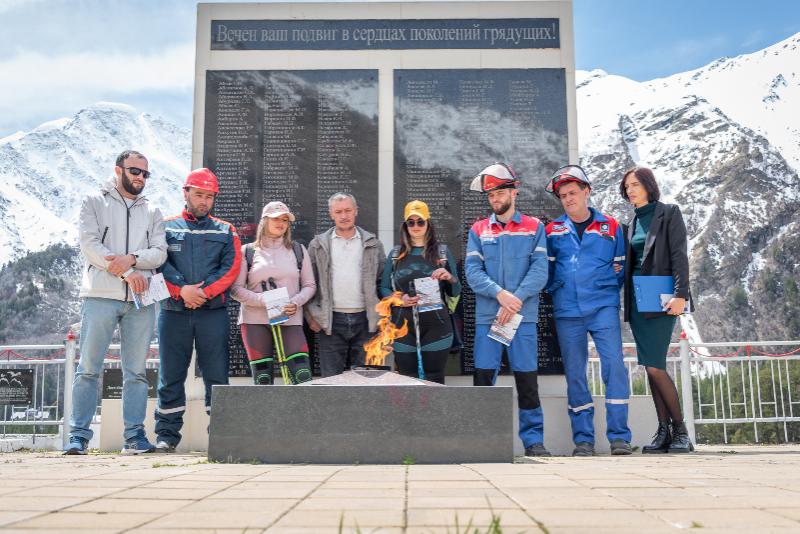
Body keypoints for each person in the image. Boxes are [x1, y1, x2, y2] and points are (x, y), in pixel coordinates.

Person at [64, 150, 167, 455]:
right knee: (88, 368)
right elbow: (91, 246)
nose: (140, 178)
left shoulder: (152, 211)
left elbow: (160, 252)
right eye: (135, 171)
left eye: (145, 174)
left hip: (143, 301)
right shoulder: (94, 202)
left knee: (136, 372)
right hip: (100, 297)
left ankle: (134, 437)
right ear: (118, 169)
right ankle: (79, 437)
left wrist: (134, 259)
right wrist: (131, 272)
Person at [544, 165, 632, 456]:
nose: (568, 199)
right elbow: (547, 269)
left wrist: (603, 288)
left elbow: (620, 267)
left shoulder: (612, 227)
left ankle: (619, 436)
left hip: (603, 307)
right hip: (567, 310)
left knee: (614, 367)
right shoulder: (552, 230)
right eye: (563, 195)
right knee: (575, 374)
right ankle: (583, 439)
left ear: (586, 192)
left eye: (572, 193)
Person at [465, 163, 551, 457]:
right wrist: (501, 295)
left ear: (514, 192)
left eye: (500, 192)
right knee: (483, 381)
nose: (494, 199)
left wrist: (516, 299)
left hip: (521, 319)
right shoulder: (479, 230)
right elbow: (473, 273)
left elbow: (540, 272)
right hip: (488, 320)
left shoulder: (534, 227)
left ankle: (534, 441)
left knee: (527, 381)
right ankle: (481, 440)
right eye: (490, 195)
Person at [155, 168, 241, 453]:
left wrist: (203, 293)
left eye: (209, 196)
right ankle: (167, 435)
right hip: (173, 311)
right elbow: (158, 263)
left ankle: (222, 434)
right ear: (186, 192)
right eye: (199, 194)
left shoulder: (226, 230)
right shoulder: (165, 226)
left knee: (217, 373)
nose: (204, 201)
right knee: (171, 374)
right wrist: (182, 290)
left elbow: (230, 269)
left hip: (212, 311)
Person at [620, 166, 694, 453]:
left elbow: (679, 255)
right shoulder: (631, 222)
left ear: (649, 185)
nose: (631, 190)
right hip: (639, 301)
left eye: (635, 185)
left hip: (664, 300)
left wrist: (681, 295)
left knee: (656, 365)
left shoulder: (668, 213)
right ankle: (663, 432)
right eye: (627, 187)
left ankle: (681, 432)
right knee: (651, 368)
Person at [231, 201, 316, 384]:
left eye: (285, 219)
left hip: (289, 316)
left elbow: (310, 285)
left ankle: (300, 414)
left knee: (301, 375)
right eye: (276, 218)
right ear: (264, 221)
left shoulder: (298, 250)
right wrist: (265, 300)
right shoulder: (248, 251)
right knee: (263, 380)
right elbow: (235, 290)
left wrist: (295, 302)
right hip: (255, 320)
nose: (281, 223)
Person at [379, 200, 461, 384]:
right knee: (408, 380)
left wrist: (449, 277)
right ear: (405, 226)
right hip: (403, 326)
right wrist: (399, 298)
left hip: (437, 326)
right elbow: (383, 288)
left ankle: (434, 415)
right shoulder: (395, 255)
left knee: (434, 380)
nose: (416, 226)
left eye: (420, 221)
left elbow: (456, 291)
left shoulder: (442, 253)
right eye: (411, 222)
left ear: (428, 224)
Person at [305, 193, 386, 377]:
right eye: (338, 211)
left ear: (356, 211)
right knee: (332, 381)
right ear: (331, 214)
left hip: (366, 322)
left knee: (366, 380)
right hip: (331, 322)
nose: (344, 216)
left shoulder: (373, 244)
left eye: (348, 210)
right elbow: (308, 283)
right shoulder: (317, 245)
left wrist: (381, 316)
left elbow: (382, 282)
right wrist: (312, 317)